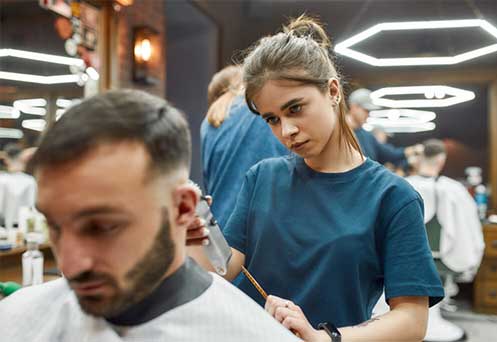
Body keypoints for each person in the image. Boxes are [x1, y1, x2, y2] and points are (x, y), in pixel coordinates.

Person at [188, 16, 444, 342]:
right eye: (272, 119)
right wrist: (197, 234)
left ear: (333, 90)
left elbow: (411, 321)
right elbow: (223, 271)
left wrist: (326, 338)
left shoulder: (393, 197)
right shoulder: (262, 178)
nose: (286, 131)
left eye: (295, 109)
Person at [0, 90, 300, 342]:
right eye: (54, 225)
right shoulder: (15, 321)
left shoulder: (251, 335)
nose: (69, 264)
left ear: (183, 208)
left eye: (102, 227)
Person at [406, 139, 484, 342]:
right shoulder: (455, 190)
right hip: (444, 259)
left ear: (420, 158)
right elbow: (471, 231)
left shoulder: (403, 185)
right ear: (441, 161)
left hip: (407, 259)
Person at [201, 65, 288, 228]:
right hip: (263, 224)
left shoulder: (209, 122)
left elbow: (208, 180)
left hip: (220, 224)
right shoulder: (260, 109)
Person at [347, 88, 423, 165]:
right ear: (354, 107)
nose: (368, 114)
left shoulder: (367, 137)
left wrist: (414, 150)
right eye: (366, 110)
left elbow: (390, 154)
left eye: (369, 111)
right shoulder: (338, 133)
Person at [0, 143, 37, 229]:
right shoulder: (30, 181)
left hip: (4, 227)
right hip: (25, 226)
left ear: (5, 159)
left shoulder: (2, 180)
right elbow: (33, 207)